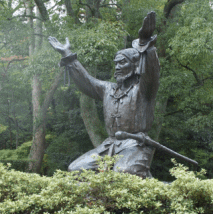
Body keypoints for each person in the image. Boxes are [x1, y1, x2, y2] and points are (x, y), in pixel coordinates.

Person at [49, 12, 160, 178]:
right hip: (109, 146)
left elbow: (151, 73)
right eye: (115, 64)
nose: (116, 67)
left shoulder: (143, 90)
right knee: (76, 169)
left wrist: (145, 43)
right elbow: (87, 82)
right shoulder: (108, 89)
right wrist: (67, 56)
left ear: (135, 66)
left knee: (124, 172)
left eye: (122, 63)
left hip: (135, 144)